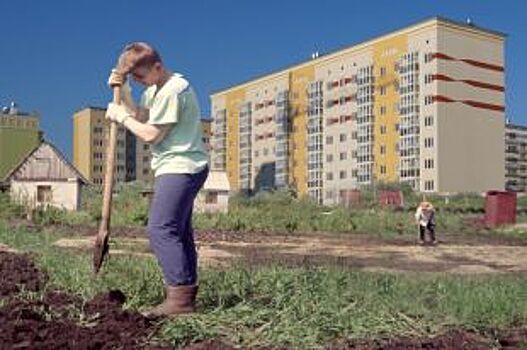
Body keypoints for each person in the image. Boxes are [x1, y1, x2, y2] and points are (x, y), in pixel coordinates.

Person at [105, 42, 209, 317]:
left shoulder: (175, 90)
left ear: (158, 67)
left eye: (139, 77)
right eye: (134, 78)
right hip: (177, 165)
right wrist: (124, 91)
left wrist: (121, 118)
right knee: (178, 231)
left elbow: (152, 133)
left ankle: (179, 300)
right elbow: (143, 114)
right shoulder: (156, 89)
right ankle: (185, 293)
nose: (139, 83)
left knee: (160, 228)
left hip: (183, 166)